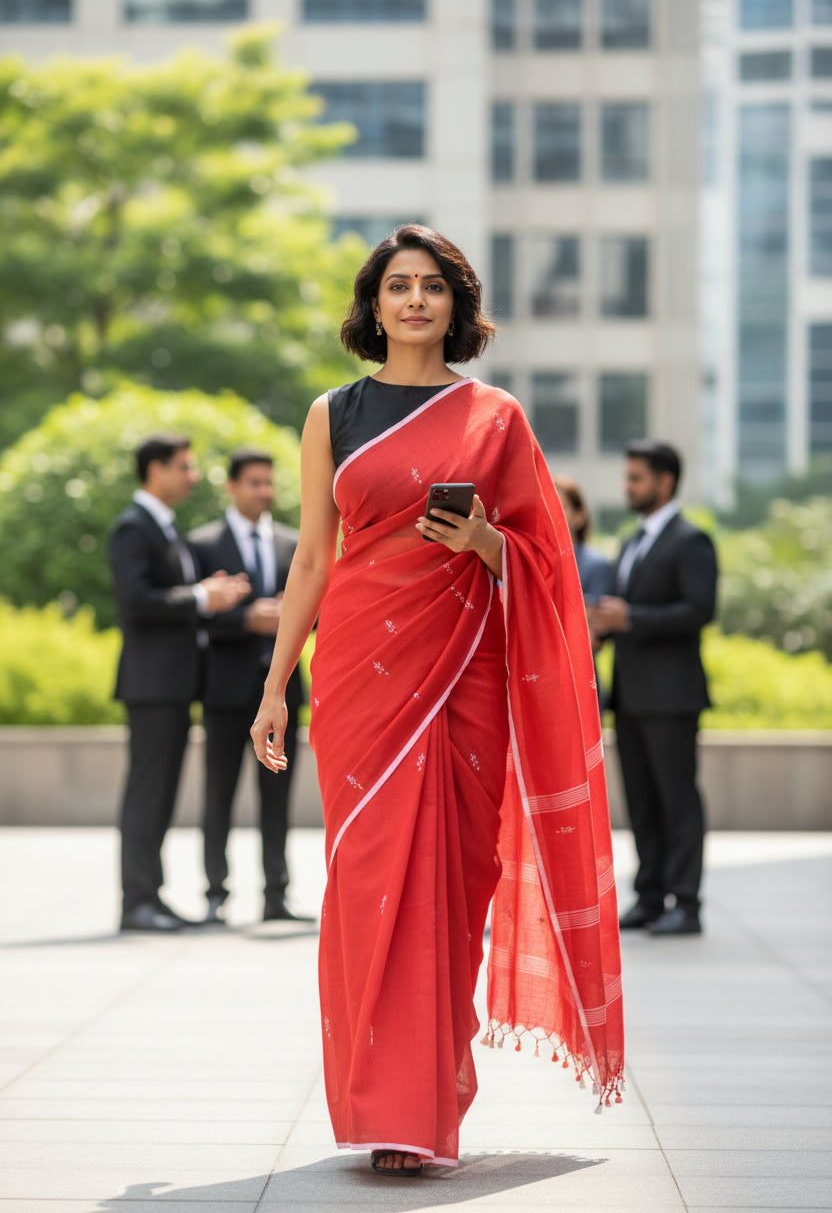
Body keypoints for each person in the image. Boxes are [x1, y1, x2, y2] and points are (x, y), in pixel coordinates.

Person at [250, 224, 624, 1175]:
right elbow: (311, 558)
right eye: (397, 286)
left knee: (453, 888)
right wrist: (275, 685)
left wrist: (481, 546)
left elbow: (544, 562)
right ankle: (377, 1103)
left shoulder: (495, 418)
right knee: (367, 882)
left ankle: (423, 1106)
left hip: (461, 676)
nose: (415, 301)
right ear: (372, 306)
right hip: (356, 673)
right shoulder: (331, 412)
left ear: (457, 306)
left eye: (433, 287)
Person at [109, 434, 249, 933]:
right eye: (184, 468)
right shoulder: (133, 528)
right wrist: (200, 596)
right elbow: (137, 602)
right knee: (148, 793)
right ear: (156, 471)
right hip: (152, 685)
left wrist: (207, 595)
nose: (193, 477)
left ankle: (152, 896)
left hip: (172, 685)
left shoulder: (163, 528)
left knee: (162, 793)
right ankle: (137, 903)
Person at [588, 440, 718, 937]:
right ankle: (649, 895)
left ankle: (686, 903)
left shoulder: (691, 541)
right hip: (632, 695)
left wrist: (631, 617)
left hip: (672, 697)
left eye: (636, 478)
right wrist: (604, 624)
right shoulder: (632, 540)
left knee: (677, 799)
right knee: (642, 800)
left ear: (665, 481)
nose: (628, 487)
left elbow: (699, 610)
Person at [189, 449, 308, 925]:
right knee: (218, 793)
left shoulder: (294, 543)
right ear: (232, 486)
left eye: (269, 482)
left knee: (277, 796)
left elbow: (316, 610)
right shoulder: (201, 544)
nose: (264, 491)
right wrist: (245, 618)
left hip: (282, 693)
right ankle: (215, 894)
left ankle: (276, 895)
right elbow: (192, 619)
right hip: (224, 692)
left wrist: (291, 616)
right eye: (254, 482)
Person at [553, 474, 612, 709]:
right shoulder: (529, 562)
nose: (553, 511)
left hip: (579, 686)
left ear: (580, 516)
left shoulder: (596, 565)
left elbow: (594, 634)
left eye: (562, 505)